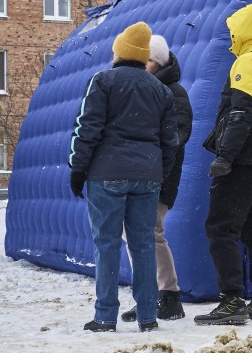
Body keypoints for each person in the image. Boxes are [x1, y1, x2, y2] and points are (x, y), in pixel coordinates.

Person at [68, 21, 179, 333]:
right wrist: (157, 172)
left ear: (119, 52)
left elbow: (86, 128)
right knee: (143, 245)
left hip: (106, 175)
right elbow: (170, 142)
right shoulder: (161, 90)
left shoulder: (102, 81)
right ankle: (147, 315)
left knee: (106, 245)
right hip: (147, 177)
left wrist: (78, 169)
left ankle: (105, 316)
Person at [194, 3, 252, 326]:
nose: (230, 35)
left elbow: (241, 112)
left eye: (234, 29)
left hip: (243, 158)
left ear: (244, 29)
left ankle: (231, 300)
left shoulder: (248, 61)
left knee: (221, 227)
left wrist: (225, 157)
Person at [120, 34, 193, 323]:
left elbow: (176, 137)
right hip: (141, 173)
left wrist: (151, 162)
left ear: (159, 63)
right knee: (137, 234)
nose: (143, 64)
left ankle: (168, 295)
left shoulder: (174, 93)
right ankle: (151, 295)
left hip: (159, 176)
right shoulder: (142, 88)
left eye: (149, 60)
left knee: (149, 233)